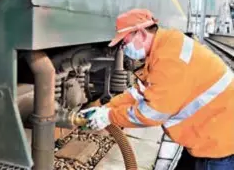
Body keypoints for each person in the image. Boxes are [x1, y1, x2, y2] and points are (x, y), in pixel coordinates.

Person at [80, 9, 234, 170]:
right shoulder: (164, 47)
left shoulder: (169, 59)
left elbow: (153, 113)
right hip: (206, 134)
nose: (124, 49)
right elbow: (139, 92)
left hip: (220, 145)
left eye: (125, 43)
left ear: (141, 34)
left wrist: (110, 117)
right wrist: (105, 109)